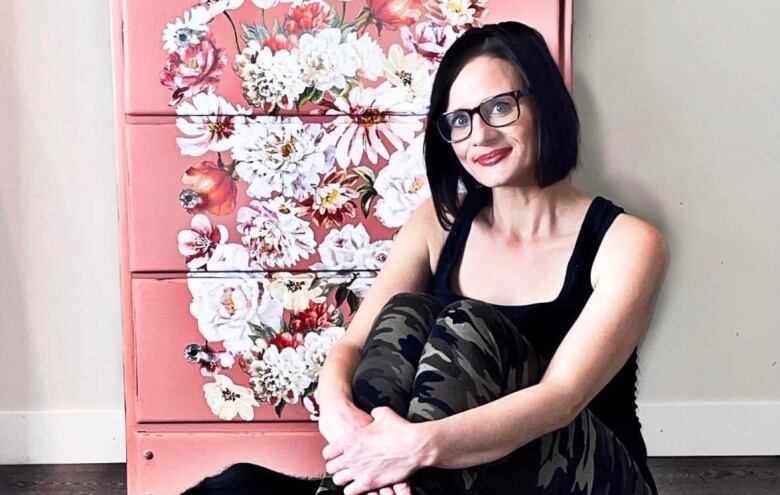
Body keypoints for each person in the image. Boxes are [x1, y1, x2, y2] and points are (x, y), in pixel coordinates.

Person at [185, 20, 669, 495]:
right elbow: (351, 349)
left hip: (589, 472)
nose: (478, 136)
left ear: (545, 104)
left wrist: (414, 448)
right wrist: (345, 420)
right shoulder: (439, 221)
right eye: (459, 120)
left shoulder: (628, 242)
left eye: (499, 107)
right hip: (454, 473)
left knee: (463, 324)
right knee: (406, 313)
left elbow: (560, 399)